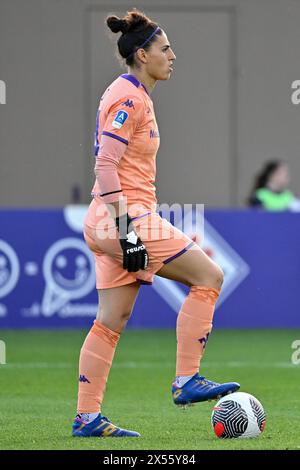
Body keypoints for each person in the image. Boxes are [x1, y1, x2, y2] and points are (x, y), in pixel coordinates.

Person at [72, 8, 240, 438]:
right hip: (123, 219)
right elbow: (105, 165)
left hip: (104, 220)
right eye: (165, 49)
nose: (173, 55)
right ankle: (187, 379)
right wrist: (128, 232)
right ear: (142, 55)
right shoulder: (129, 98)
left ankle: (87, 418)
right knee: (209, 275)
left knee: (112, 319)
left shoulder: (132, 93)